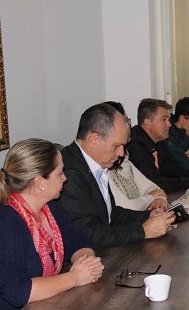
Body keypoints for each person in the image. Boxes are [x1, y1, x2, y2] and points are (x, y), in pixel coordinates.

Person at [0, 139, 104, 309]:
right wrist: (74, 278)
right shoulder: (5, 223)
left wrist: (86, 263)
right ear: (39, 183)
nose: (65, 178)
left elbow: (76, 241)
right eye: (59, 173)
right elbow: (19, 292)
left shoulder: (48, 208)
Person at [58, 102, 176, 249]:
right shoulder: (67, 173)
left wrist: (148, 217)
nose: (121, 153)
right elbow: (86, 234)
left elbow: (110, 214)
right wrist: (144, 230)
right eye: (117, 146)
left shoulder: (95, 163)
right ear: (94, 140)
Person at [127, 98, 189, 193]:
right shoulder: (136, 145)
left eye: (168, 119)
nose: (169, 124)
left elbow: (174, 168)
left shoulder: (159, 141)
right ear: (148, 122)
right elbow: (155, 183)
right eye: (164, 119)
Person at [104, 101, 168, 211]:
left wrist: (160, 199)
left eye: (128, 122)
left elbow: (155, 188)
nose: (129, 127)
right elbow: (127, 207)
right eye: (125, 122)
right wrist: (151, 198)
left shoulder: (123, 159)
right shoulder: (103, 166)